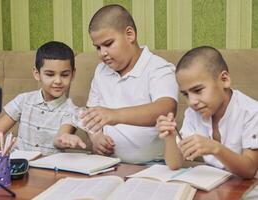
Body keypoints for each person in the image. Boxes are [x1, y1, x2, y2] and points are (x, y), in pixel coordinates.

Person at [82, 4, 178, 164]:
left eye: (108, 44)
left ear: (130, 34)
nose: (102, 53)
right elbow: (91, 116)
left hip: (152, 164)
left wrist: (114, 115)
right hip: (108, 162)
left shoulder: (157, 67)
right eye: (98, 47)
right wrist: (96, 138)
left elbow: (166, 108)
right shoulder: (101, 71)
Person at [0, 41, 86, 160]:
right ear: (37, 74)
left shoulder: (72, 110)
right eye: (50, 74)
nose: (58, 81)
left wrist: (66, 139)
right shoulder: (24, 100)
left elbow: (60, 138)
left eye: (64, 75)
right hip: (18, 164)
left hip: (48, 170)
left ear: (73, 74)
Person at [156, 46, 258, 178]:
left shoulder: (251, 112)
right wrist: (169, 137)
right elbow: (175, 164)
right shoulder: (192, 114)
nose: (192, 101)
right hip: (215, 187)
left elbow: (249, 170)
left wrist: (216, 148)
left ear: (224, 80)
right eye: (185, 94)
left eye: (198, 90)